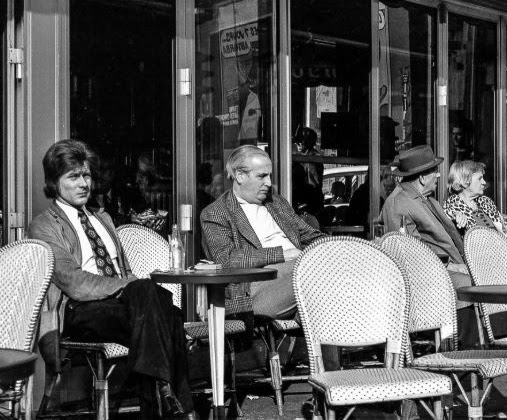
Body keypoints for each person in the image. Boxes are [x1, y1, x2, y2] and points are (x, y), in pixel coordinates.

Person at [29, 140, 195, 419]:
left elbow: (125, 271)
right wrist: (131, 287)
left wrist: (133, 287)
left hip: (125, 308)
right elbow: (74, 283)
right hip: (79, 311)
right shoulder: (44, 225)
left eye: (87, 175)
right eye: (74, 176)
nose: (84, 184)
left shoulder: (102, 218)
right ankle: (172, 401)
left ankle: (161, 402)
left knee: (161, 309)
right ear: (54, 183)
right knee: (168, 313)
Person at [200, 145, 326, 321]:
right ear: (240, 176)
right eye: (261, 176)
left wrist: (341, 248)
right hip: (256, 289)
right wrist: (282, 254)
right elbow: (226, 259)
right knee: (325, 272)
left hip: (302, 274)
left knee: (336, 273)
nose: (268, 182)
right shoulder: (216, 213)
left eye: (269, 175)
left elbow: (310, 236)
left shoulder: (275, 202)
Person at [380, 145, 481, 348]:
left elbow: (439, 237)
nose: (438, 175)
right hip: (428, 277)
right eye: (434, 171)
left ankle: (490, 351)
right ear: (422, 178)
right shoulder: (398, 203)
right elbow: (407, 253)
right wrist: (450, 266)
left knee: (489, 278)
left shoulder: (427, 200)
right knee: (467, 284)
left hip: (448, 268)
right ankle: (461, 359)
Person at [443, 160, 503, 235]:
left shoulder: (486, 202)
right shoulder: (452, 209)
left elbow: (503, 229)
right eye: (479, 178)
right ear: (464, 182)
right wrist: (456, 219)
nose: (484, 182)